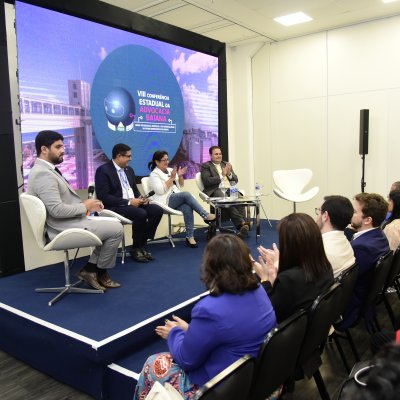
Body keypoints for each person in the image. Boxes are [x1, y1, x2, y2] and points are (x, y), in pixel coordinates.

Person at [133, 234, 277, 399]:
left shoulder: (209, 309)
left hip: (224, 390)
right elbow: (227, 333)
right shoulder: (259, 290)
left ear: (210, 266)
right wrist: (190, 330)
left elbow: (186, 359)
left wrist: (174, 333)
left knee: (152, 364)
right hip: (259, 381)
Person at [27, 130, 123, 290]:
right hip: (60, 227)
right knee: (116, 229)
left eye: (63, 146)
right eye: (58, 147)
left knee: (112, 225)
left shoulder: (46, 170)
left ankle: (91, 271)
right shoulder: (43, 174)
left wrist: (87, 206)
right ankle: (96, 271)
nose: (63, 150)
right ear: (44, 149)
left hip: (67, 222)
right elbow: (57, 210)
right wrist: (86, 206)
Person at [253, 213, 334, 323]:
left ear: (291, 246)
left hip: (289, 336)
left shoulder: (288, 280)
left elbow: (270, 313)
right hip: (316, 328)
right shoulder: (325, 266)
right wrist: (279, 262)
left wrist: (265, 280)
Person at [95, 143, 163, 263]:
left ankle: (142, 243)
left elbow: (134, 190)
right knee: (140, 213)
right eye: (128, 156)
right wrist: (128, 202)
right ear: (119, 156)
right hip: (115, 206)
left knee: (157, 210)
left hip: (133, 204)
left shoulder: (129, 170)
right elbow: (103, 197)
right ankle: (136, 247)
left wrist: (141, 198)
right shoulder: (103, 170)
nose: (130, 159)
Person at [336, 193, 389, 330]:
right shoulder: (380, 236)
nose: (350, 214)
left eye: (354, 212)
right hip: (365, 298)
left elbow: (342, 280)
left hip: (349, 307)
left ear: (367, 220)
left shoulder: (361, 247)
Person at [148, 150, 215, 248]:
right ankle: (205, 215)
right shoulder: (154, 175)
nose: (167, 162)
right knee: (186, 195)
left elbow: (181, 185)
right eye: (164, 160)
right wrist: (171, 178)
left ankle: (190, 237)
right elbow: (160, 191)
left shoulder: (170, 170)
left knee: (187, 207)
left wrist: (179, 176)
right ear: (157, 162)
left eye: (167, 159)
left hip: (175, 197)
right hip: (164, 201)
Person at [200, 146, 249, 237]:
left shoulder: (226, 164)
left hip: (229, 189)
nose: (219, 156)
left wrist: (229, 174)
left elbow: (235, 180)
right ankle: (242, 225)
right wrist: (222, 175)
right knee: (227, 202)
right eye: (216, 154)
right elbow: (207, 181)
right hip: (215, 190)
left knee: (240, 200)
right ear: (211, 155)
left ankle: (243, 226)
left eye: (220, 154)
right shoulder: (206, 166)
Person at [315, 195, 356, 277]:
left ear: (325, 216)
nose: (317, 215)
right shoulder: (346, 243)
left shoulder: (320, 251)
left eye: (319, 211)